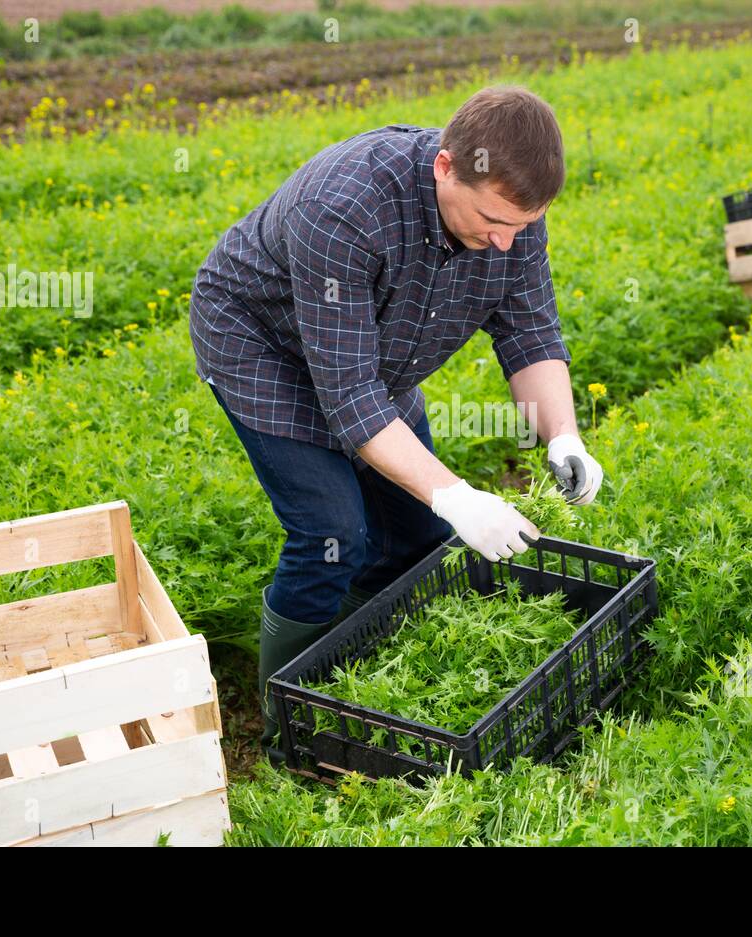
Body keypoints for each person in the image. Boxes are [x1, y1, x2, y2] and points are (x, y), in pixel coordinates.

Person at [188, 85, 605, 748]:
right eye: (491, 221)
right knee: (333, 532)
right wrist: (459, 494)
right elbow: (350, 399)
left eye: (519, 228)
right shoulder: (347, 206)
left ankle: (352, 671)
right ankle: (285, 726)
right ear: (446, 167)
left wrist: (565, 435)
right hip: (264, 346)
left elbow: (530, 333)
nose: (504, 243)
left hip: (371, 350)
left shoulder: (510, 210)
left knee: (414, 538)